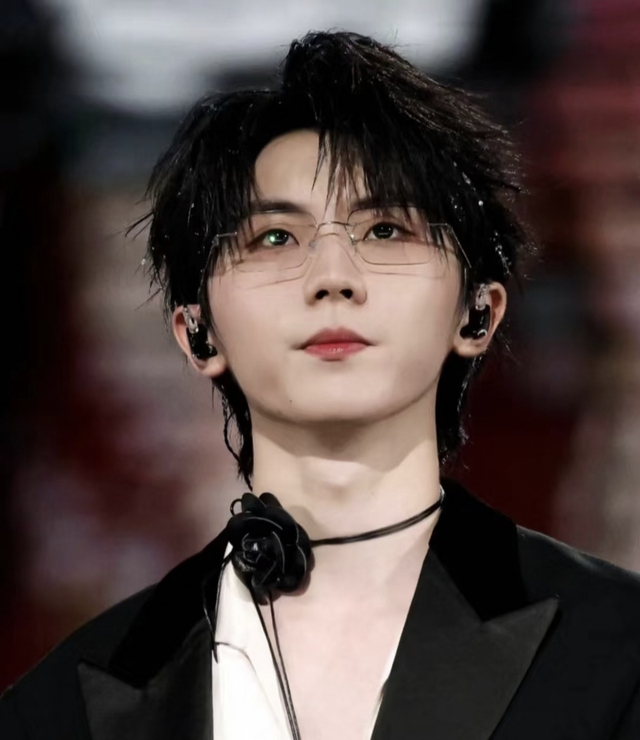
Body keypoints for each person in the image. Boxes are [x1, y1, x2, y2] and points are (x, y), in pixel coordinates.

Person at [2, 30, 640, 740]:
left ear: (478, 312)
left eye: (386, 230)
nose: (333, 277)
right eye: (275, 238)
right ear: (197, 332)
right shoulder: (60, 710)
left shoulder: (618, 651)